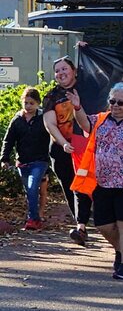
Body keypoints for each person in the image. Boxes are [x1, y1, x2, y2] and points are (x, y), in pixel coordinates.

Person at [70, 82, 123, 280]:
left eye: (120, 102)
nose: (115, 105)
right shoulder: (101, 119)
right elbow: (84, 124)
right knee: (103, 225)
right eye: (112, 101)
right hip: (104, 183)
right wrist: (77, 107)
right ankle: (121, 251)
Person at [42, 56, 93, 246]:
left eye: (64, 69)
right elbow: (50, 124)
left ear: (74, 71)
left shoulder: (88, 87)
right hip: (61, 148)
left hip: (87, 146)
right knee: (71, 186)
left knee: (86, 185)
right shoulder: (51, 96)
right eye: (57, 71)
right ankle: (81, 227)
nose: (61, 73)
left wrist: (88, 51)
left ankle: (89, 223)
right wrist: (63, 143)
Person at [1, 87, 50, 231]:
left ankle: (32, 219)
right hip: (23, 162)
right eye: (26, 103)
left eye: (31, 103)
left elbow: (51, 136)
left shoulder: (43, 119)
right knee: (30, 192)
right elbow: (8, 140)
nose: (28, 106)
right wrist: (4, 158)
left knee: (32, 187)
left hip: (40, 161)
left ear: (38, 103)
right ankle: (35, 217)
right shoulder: (17, 120)